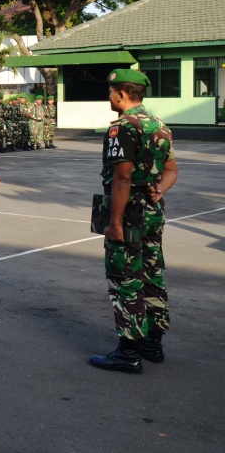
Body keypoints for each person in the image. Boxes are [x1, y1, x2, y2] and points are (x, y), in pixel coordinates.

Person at [89, 69, 178, 374]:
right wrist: (158, 189)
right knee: (152, 275)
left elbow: (122, 176)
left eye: (111, 91)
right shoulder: (160, 127)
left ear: (122, 94)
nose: (109, 96)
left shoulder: (122, 128)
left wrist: (114, 222)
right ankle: (153, 343)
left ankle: (128, 352)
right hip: (152, 212)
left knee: (125, 277)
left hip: (129, 212)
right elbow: (172, 170)